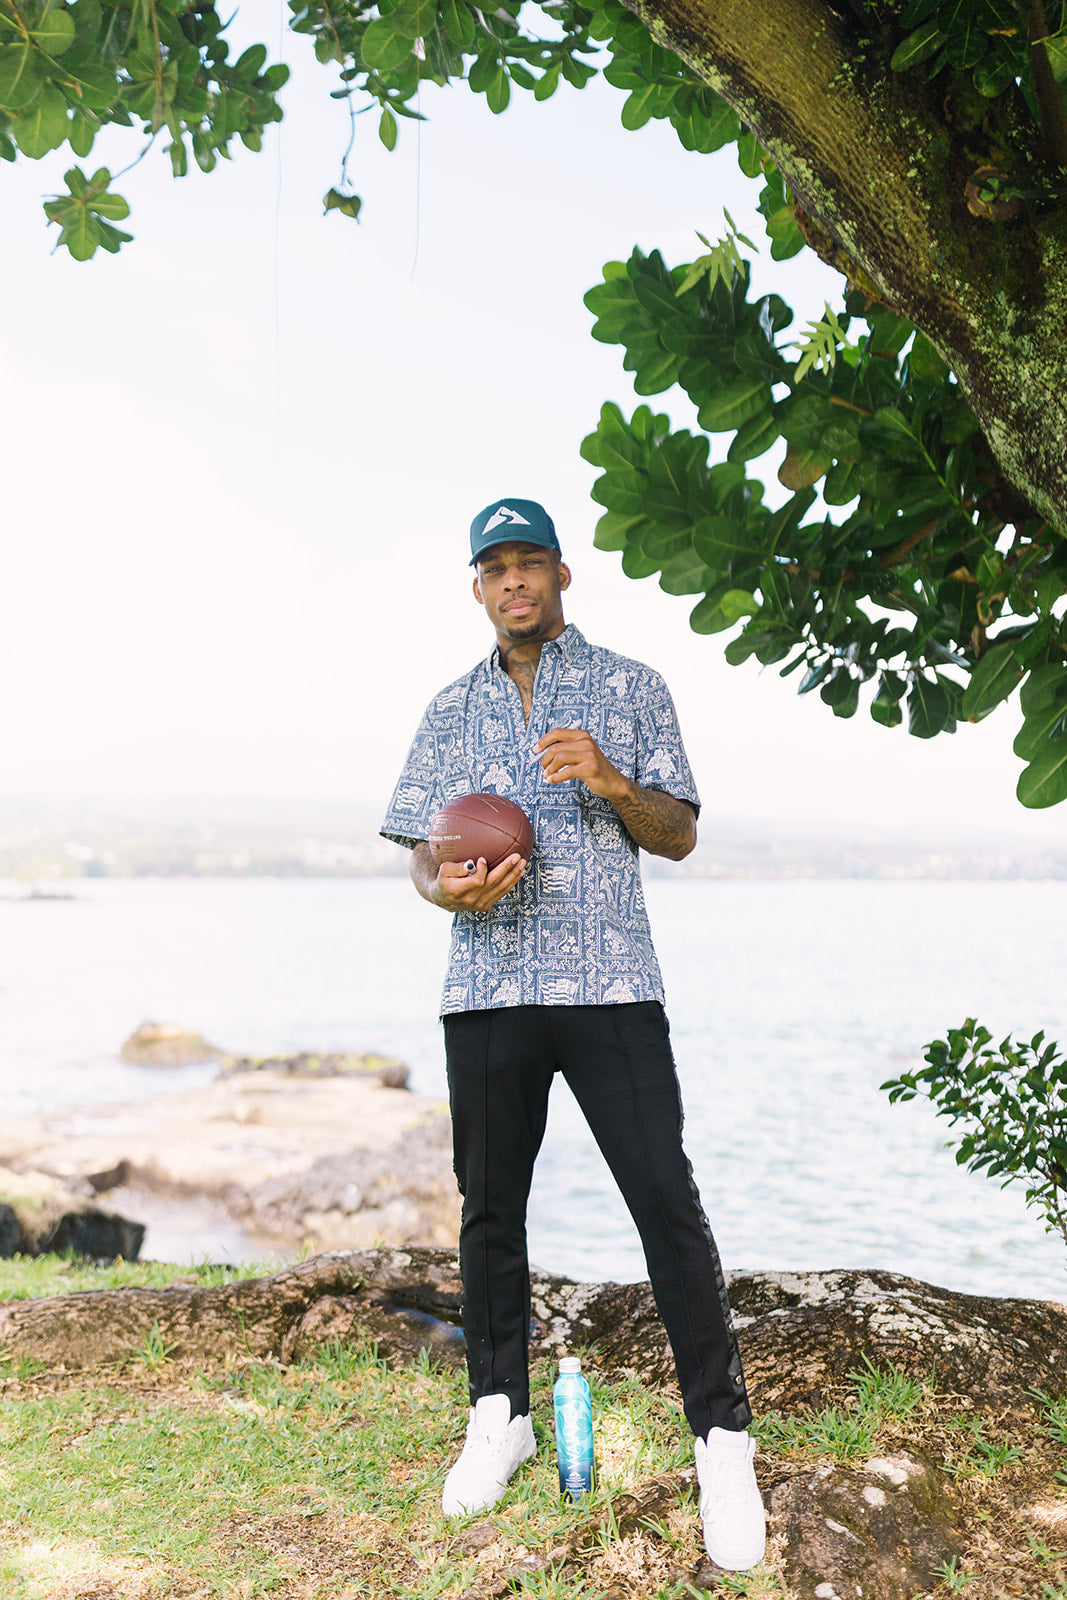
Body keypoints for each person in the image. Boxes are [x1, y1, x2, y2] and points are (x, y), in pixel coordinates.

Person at [380, 497, 766, 1571]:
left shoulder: (633, 688)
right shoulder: (446, 709)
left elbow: (679, 832)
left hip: (610, 986)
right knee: (489, 1209)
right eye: (493, 567)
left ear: (560, 573)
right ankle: (497, 1412)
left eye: (529, 563)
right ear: (475, 586)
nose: (512, 582)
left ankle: (719, 1437)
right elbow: (421, 852)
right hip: (487, 986)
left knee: (663, 1200)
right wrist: (445, 887)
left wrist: (607, 780)